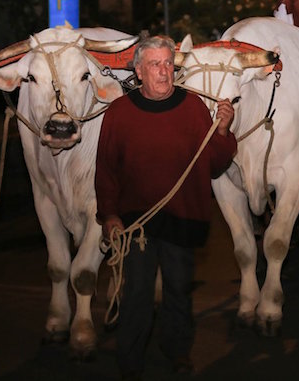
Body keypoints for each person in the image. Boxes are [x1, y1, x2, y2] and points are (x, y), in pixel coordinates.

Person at [95, 36, 237, 378]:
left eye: (169, 64)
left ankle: (178, 352)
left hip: (183, 216)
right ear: (140, 71)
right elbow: (106, 170)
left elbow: (214, 164)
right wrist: (110, 215)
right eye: (156, 65)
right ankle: (130, 361)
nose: (164, 71)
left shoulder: (191, 108)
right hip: (136, 223)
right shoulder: (119, 112)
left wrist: (222, 130)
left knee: (178, 289)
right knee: (137, 293)